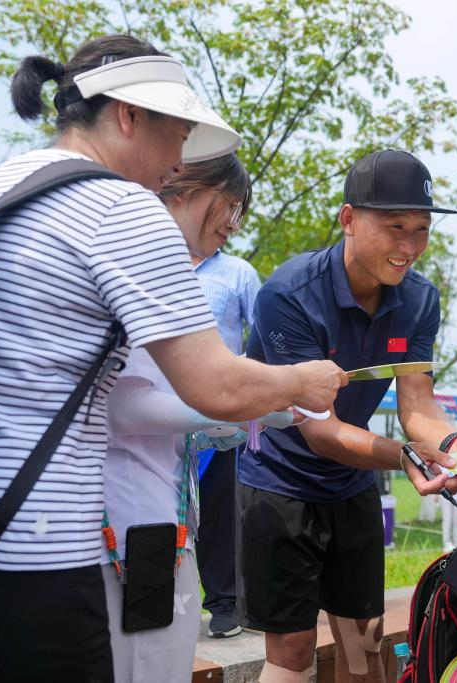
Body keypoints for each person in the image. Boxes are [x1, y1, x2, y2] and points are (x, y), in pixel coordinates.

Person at [0, 35, 344, 683]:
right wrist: (301, 380)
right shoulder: (121, 207)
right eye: (179, 133)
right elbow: (214, 385)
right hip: (35, 555)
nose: (179, 162)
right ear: (128, 114)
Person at [238, 149, 457, 683]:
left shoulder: (419, 300)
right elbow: (320, 430)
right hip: (278, 481)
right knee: (292, 651)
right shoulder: (288, 294)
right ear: (349, 219)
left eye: (421, 230)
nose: (409, 247)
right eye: (395, 227)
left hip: (351, 482)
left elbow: (417, 406)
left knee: (365, 646)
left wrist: (452, 445)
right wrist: (405, 455)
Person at [101, 154, 290, 682]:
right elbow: (126, 403)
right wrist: (230, 408)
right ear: (183, 188)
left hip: (164, 508)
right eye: (228, 204)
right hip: (127, 520)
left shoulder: (183, 274)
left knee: (163, 655)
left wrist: (240, 416)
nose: (234, 222)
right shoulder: (131, 270)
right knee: (141, 661)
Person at [161, 155, 262, 639]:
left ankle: (224, 602)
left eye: (241, 212)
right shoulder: (154, 265)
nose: (233, 223)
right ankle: (159, 603)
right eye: (230, 208)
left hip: (222, 420)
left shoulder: (238, 273)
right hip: (162, 418)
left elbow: (261, 342)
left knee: (221, 514)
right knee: (164, 513)